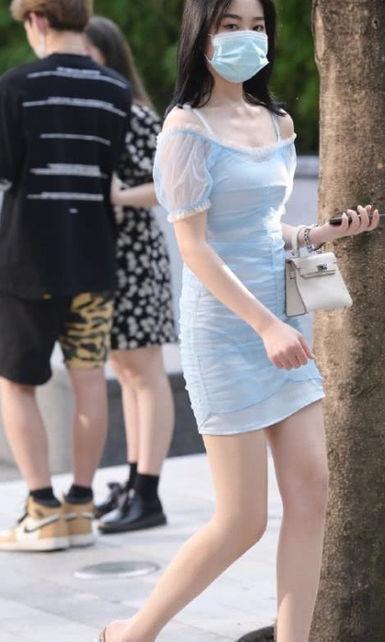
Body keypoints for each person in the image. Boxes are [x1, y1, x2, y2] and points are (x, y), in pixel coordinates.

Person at [79, 0, 379, 642]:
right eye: (230, 25)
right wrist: (264, 324)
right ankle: (130, 637)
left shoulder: (276, 121)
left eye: (257, 24)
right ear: (203, 35)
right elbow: (196, 247)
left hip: (283, 326)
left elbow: (264, 228)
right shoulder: (185, 128)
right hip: (227, 330)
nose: (248, 36)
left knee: (312, 492)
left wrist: (322, 234)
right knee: (242, 519)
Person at [0, 0, 131, 552]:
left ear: (35, 20)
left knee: (16, 383)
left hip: (28, 261)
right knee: (89, 379)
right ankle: (80, 506)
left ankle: (42, 509)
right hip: (94, 259)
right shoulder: (116, 90)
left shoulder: (16, 85)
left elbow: (6, 172)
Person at [84, 16, 177, 534]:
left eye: (88, 54)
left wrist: (118, 195)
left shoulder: (136, 114)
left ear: (108, 56)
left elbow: (167, 185)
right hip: (107, 257)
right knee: (126, 373)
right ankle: (134, 481)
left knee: (144, 373)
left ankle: (149, 491)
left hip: (136, 258)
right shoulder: (100, 110)